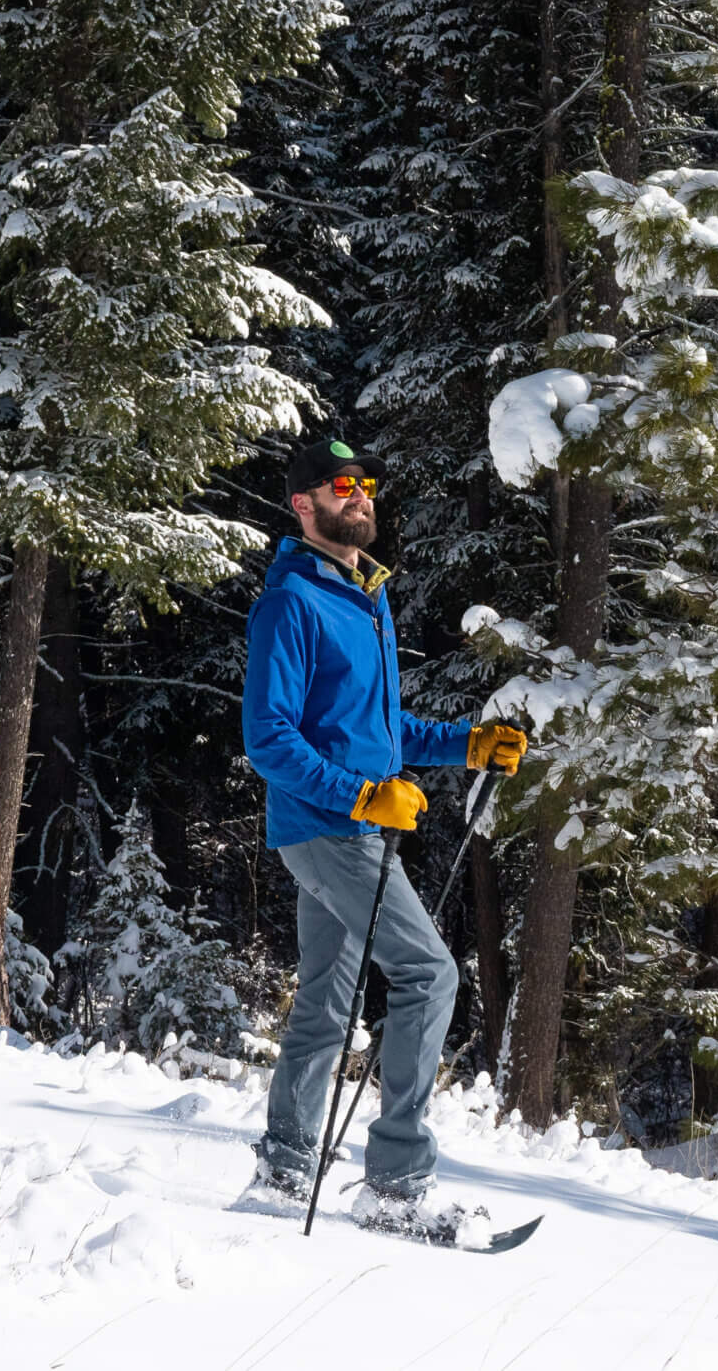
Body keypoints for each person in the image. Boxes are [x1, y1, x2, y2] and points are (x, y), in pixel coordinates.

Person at [241, 434, 526, 1226]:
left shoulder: (363, 596)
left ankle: (283, 1169)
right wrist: (362, 798)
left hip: (343, 824)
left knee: (328, 1006)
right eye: (341, 485)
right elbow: (268, 737)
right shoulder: (291, 602)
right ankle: (395, 1185)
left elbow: (378, 729)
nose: (360, 495)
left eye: (365, 482)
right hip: (329, 827)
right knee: (431, 975)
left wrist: (466, 745)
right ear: (305, 505)